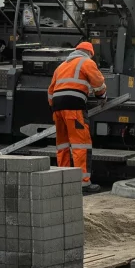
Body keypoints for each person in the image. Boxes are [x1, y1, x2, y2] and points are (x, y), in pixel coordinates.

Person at [48, 42, 107, 193]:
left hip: (57, 107)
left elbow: (50, 92)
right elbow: (98, 82)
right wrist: (102, 96)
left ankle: (64, 180)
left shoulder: (61, 66)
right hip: (74, 107)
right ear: (89, 53)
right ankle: (83, 183)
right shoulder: (86, 62)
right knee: (81, 144)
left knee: (62, 145)